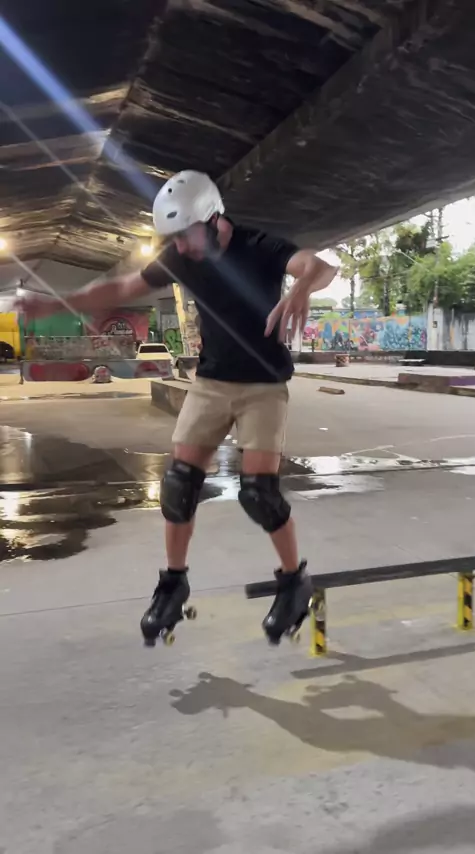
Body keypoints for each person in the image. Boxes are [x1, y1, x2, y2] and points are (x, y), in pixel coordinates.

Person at [16, 171, 337, 646]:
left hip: (263, 388)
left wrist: (300, 288)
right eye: (175, 240)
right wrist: (55, 304)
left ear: (214, 220)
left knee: (259, 493)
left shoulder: (258, 246)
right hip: (210, 384)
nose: (181, 248)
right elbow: (121, 289)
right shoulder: (181, 256)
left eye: (187, 236)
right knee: (178, 484)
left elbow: (319, 266)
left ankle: (294, 582)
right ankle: (173, 584)